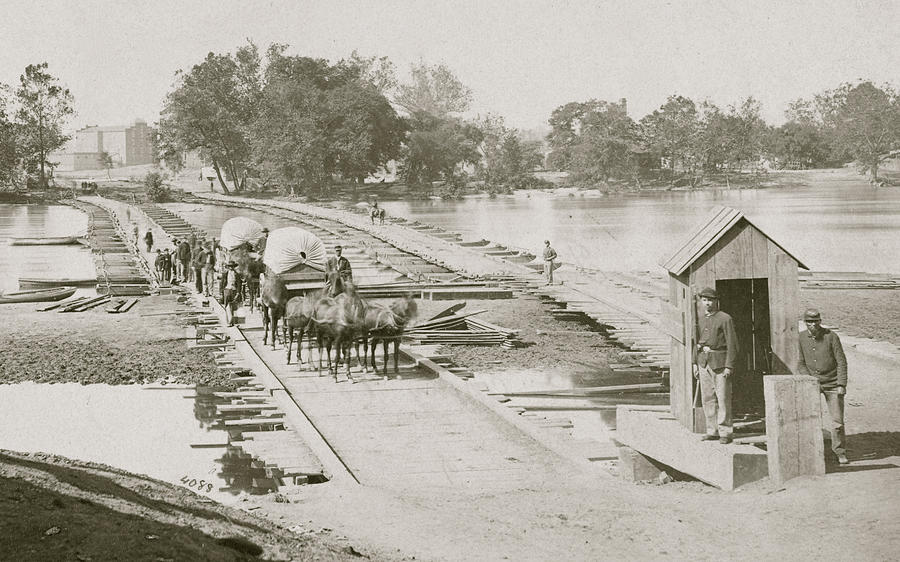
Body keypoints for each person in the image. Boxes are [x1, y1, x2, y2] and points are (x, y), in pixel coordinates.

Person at [797, 308, 849, 465]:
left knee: (837, 421)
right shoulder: (801, 338)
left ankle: (839, 451)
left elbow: (841, 361)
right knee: (810, 418)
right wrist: (809, 380)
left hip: (833, 383)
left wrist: (841, 384)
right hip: (813, 384)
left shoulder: (831, 337)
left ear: (820, 321)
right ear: (805, 323)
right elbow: (801, 363)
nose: (812, 325)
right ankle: (814, 453)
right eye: (809, 322)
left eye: (815, 321)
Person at [693, 287, 739, 444]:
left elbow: (733, 344)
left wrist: (729, 366)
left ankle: (725, 432)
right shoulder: (701, 319)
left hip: (720, 363)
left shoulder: (725, 319)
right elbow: (696, 342)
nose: (707, 303)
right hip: (703, 362)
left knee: (723, 398)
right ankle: (712, 431)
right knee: (707, 398)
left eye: (710, 300)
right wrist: (694, 362)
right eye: (704, 300)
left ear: (716, 301)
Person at [223, 261, 242, 326]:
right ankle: (229, 322)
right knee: (227, 306)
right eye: (230, 266)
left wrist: (238, 292)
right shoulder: (225, 273)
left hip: (234, 290)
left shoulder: (237, 274)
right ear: (228, 267)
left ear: (234, 267)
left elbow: (239, 284)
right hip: (227, 290)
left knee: (236, 306)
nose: (231, 268)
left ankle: (236, 322)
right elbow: (222, 283)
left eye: (232, 266)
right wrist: (222, 292)